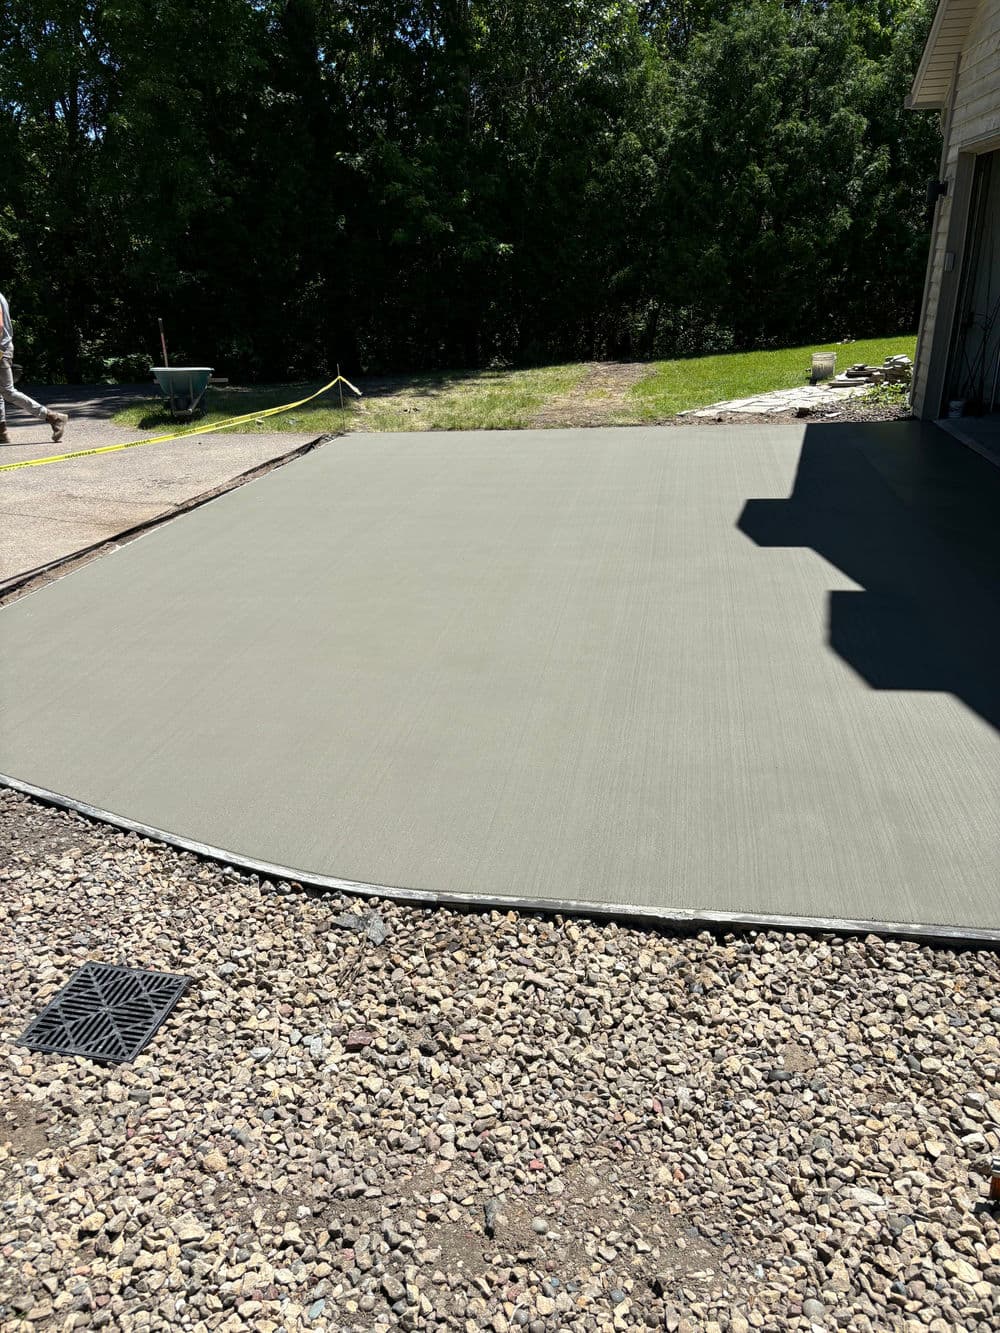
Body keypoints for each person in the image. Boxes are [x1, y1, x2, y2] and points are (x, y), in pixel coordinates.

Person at [0, 290, 68, 444]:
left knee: (8, 391)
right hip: (3, 348)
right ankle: (1, 431)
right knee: (2, 390)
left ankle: (53, 417)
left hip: (0, 350)